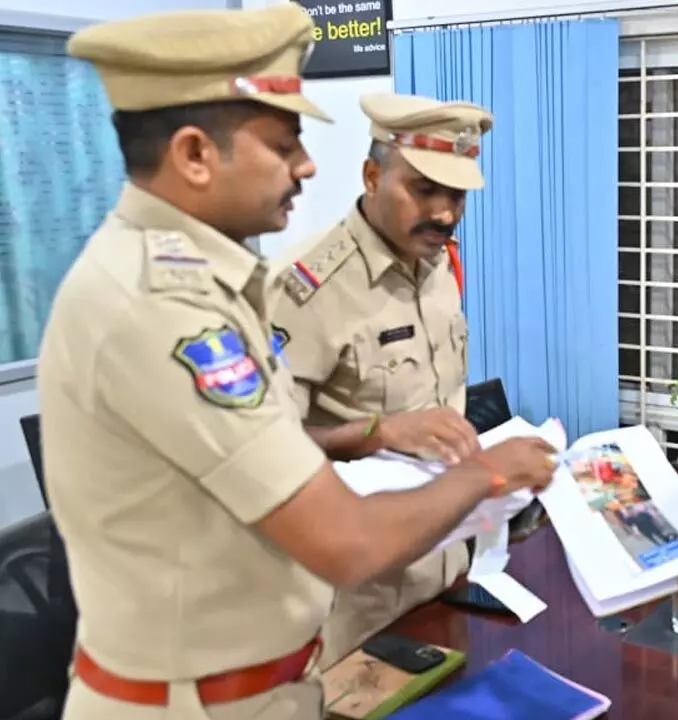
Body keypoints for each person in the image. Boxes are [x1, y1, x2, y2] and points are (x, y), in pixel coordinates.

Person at [38, 7, 556, 719]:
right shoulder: (163, 307)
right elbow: (341, 540)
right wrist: (485, 473)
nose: (307, 167)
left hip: (303, 660)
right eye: (284, 145)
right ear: (194, 154)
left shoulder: (210, 284)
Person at [270, 92, 492, 666]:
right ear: (372, 175)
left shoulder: (439, 265)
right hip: (357, 600)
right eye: (424, 189)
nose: (445, 214)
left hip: (444, 569)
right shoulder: (306, 290)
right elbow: (257, 450)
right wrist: (380, 431)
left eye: (457, 195)